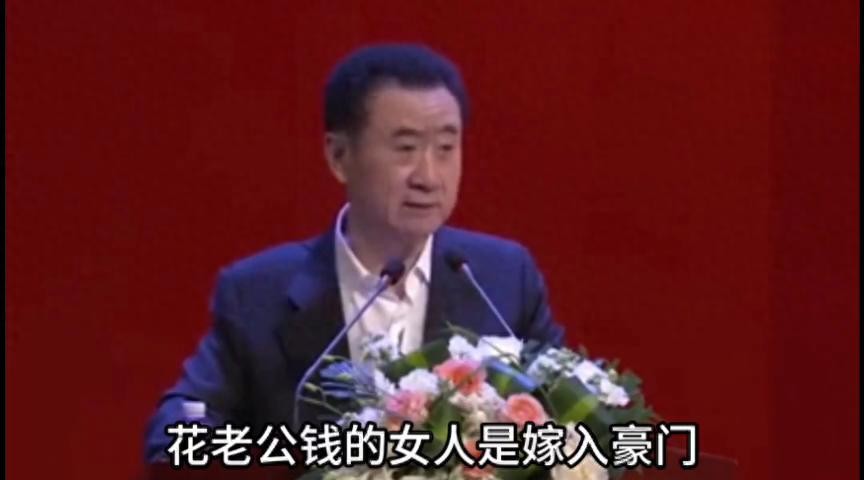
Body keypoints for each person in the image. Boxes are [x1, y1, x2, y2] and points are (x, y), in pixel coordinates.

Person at [144, 43, 565, 462]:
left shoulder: (501, 279)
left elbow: (576, 415)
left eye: (445, 148)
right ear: (339, 157)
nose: (428, 176)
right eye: (405, 148)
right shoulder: (257, 294)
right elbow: (174, 437)